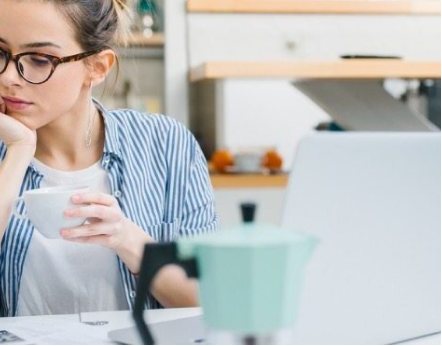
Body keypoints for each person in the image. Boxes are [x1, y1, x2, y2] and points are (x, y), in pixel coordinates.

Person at [0, 0, 217, 318]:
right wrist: (18, 152)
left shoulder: (166, 144)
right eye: (1, 53)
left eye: (39, 59)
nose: (8, 77)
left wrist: (127, 239)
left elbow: (209, 300)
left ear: (98, 68)